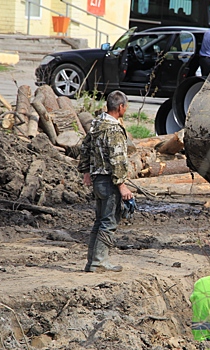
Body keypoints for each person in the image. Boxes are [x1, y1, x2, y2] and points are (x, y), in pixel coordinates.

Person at [78, 90, 133, 273]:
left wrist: (86, 171)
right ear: (120, 107)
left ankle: (91, 262)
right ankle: (100, 262)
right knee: (108, 223)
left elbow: (84, 148)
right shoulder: (114, 130)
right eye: (125, 106)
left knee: (99, 221)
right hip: (110, 182)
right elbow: (116, 159)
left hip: (97, 180)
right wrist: (122, 186)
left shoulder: (96, 124)